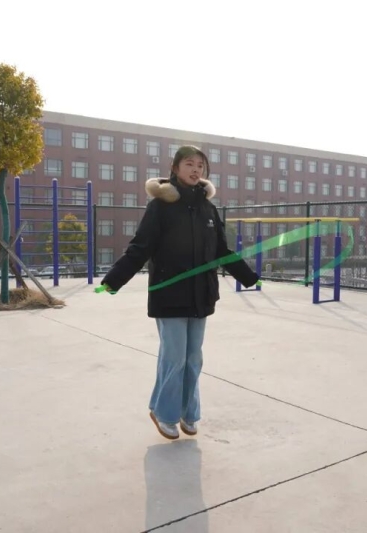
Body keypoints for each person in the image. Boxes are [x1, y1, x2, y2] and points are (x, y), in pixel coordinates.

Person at [99, 145, 260, 440]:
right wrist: (114, 279)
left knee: (194, 358)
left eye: (200, 165)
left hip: (201, 294)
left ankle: (189, 412)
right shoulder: (160, 206)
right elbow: (140, 247)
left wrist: (248, 277)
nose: (196, 169)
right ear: (175, 168)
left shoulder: (208, 209)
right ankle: (165, 413)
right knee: (174, 358)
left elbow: (221, 250)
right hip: (170, 293)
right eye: (189, 164)